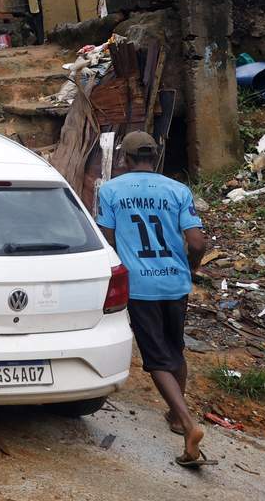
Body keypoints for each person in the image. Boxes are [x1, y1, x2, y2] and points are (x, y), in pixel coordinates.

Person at [96, 131, 210, 468]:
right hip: (175, 283)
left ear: (126, 159)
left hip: (140, 286)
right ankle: (176, 419)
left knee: (156, 358)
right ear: (155, 157)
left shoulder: (111, 191)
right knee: (175, 349)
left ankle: (188, 424)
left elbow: (108, 238)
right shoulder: (178, 190)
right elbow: (198, 242)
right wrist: (187, 269)